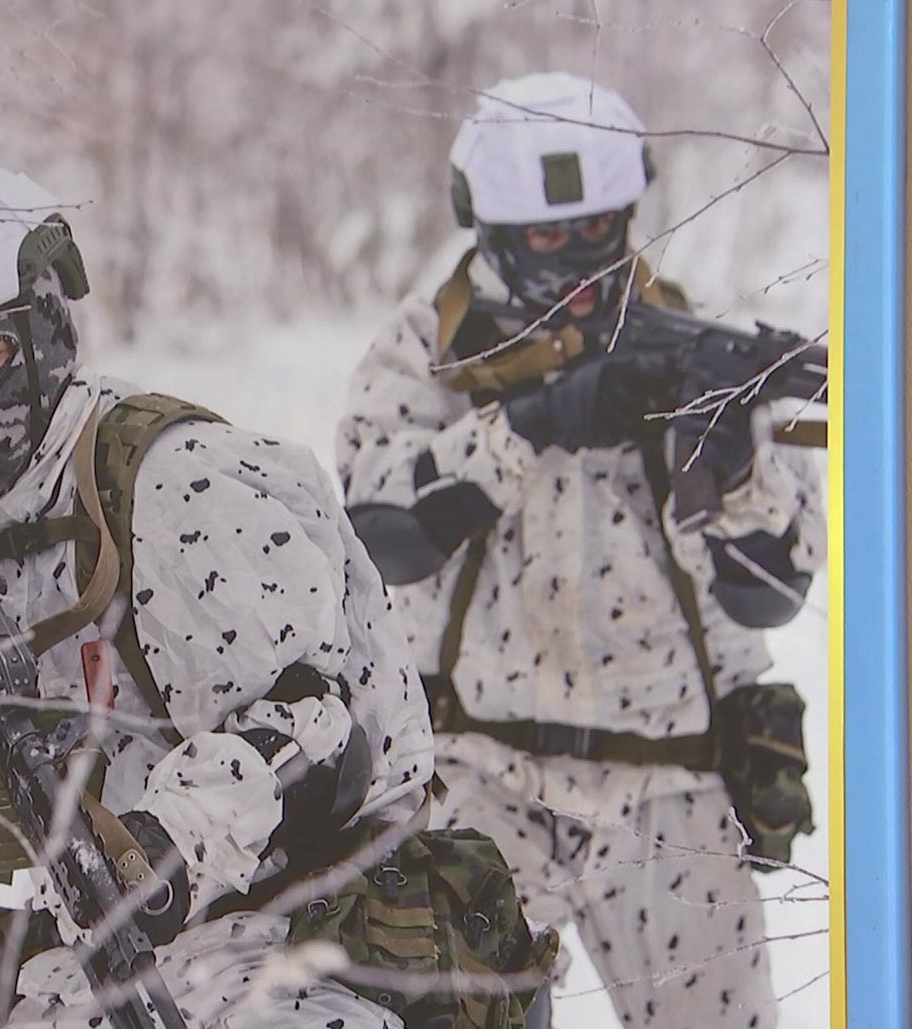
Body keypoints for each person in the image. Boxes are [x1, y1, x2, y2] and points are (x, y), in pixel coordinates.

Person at [0, 155, 551, 1027]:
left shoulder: (175, 480)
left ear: (43, 330)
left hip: (328, 926)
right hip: (137, 950)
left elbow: (317, 737)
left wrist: (156, 846)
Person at [336, 73, 826, 1028]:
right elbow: (378, 528)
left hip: (667, 778)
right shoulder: (428, 348)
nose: (574, 257)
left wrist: (730, 467)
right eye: (546, 236)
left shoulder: (692, 333)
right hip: (479, 766)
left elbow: (773, 590)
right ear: (489, 226)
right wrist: (535, 421)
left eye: (597, 229)